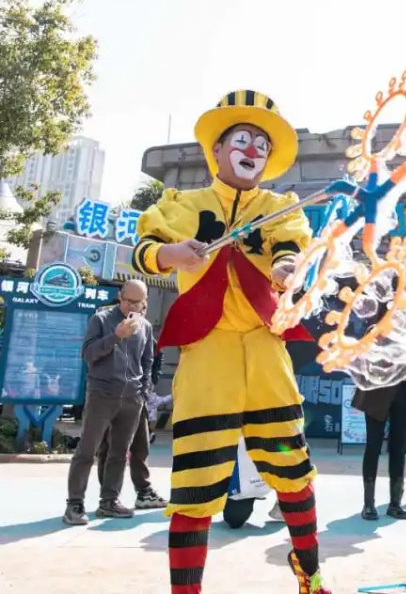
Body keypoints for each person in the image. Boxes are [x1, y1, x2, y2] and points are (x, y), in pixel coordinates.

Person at [131, 91, 330, 593]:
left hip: (266, 347)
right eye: (242, 139)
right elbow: (143, 250)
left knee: (293, 469)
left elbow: (290, 250)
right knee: (195, 485)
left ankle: (310, 577)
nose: (253, 150)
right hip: (207, 352)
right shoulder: (185, 205)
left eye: (262, 143)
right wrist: (171, 255)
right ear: (217, 150)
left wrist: (287, 270)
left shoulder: (279, 208)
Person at [64, 280, 154, 525]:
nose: (131, 306)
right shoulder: (101, 319)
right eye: (127, 301)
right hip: (102, 395)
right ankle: (74, 504)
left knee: (119, 453)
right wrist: (115, 336)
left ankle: (109, 501)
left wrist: (143, 391)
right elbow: (88, 354)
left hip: (132, 398)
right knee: (87, 451)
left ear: (144, 302)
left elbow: (147, 361)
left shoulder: (145, 326)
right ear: (120, 296)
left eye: (137, 302)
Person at [96, 301, 168, 510]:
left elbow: (154, 364)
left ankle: (143, 491)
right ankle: (108, 495)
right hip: (109, 397)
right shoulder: (107, 331)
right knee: (109, 446)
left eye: (143, 308)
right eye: (134, 306)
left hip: (137, 398)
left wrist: (146, 387)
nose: (139, 311)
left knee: (140, 445)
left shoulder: (148, 335)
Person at [353, 372, 406, 521]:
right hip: (377, 386)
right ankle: (368, 504)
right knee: (373, 446)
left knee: (400, 447)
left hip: (403, 386)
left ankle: (395, 504)